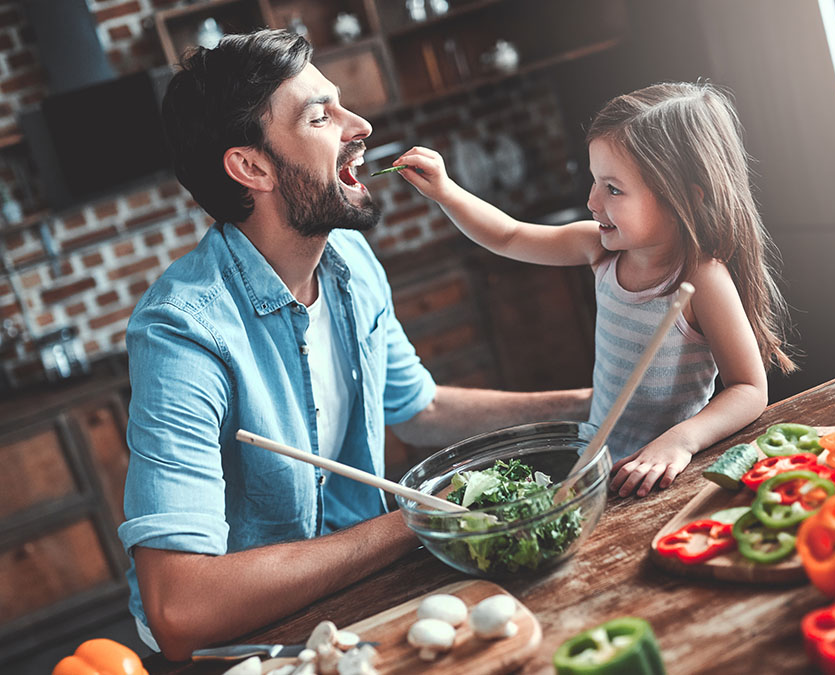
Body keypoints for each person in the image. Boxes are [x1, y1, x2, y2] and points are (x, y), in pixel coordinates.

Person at [119, 29, 591, 661]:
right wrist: (416, 519)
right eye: (321, 116)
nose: (360, 125)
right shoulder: (183, 331)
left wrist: (599, 405)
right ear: (251, 167)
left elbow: (418, 409)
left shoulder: (348, 260)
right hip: (242, 656)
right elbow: (180, 608)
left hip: (355, 606)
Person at [393, 81, 796, 501]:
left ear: (685, 201)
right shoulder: (599, 249)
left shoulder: (700, 278)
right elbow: (509, 236)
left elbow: (749, 390)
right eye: (594, 181)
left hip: (667, 477)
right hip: (600, 471)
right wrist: (445, 191)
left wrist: (680, 441)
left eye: (613, 188)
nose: (592, 200)